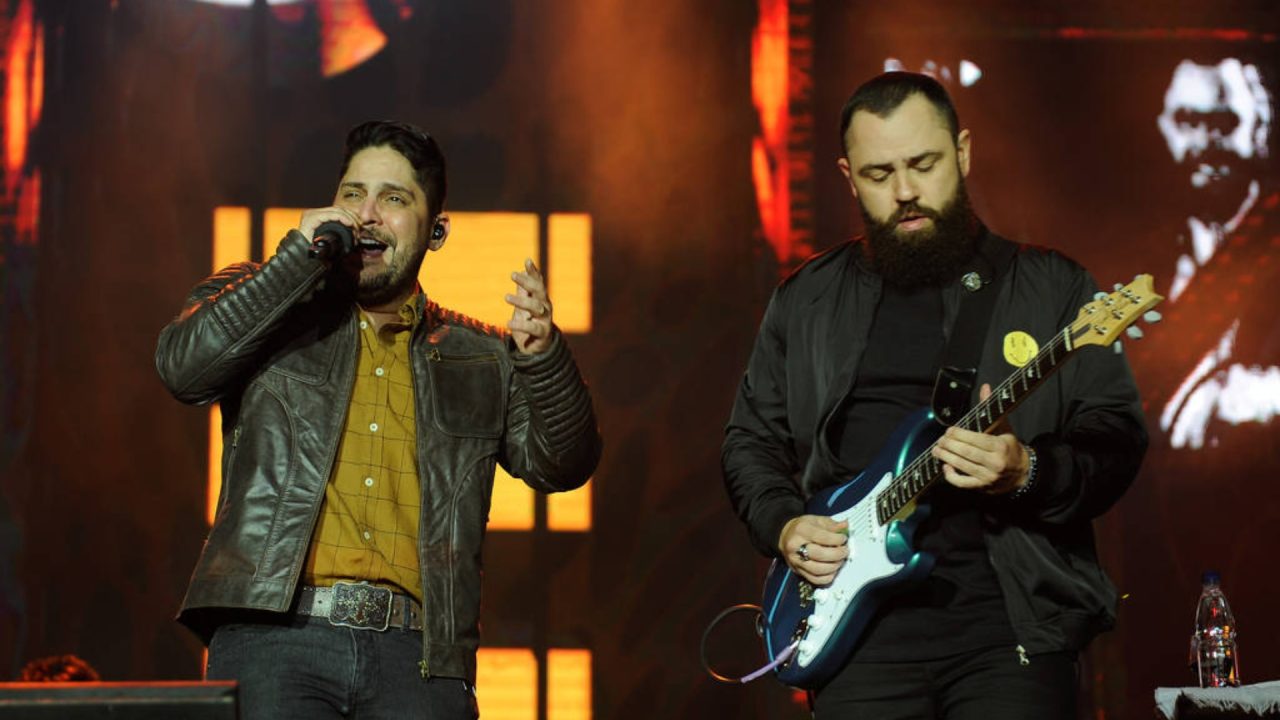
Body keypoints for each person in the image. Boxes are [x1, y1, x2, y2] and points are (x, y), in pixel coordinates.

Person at [721, 72, 1148, 718]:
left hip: (1009, 631)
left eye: (924, 164)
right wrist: (784, 525)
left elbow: (1116, 438)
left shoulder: (1052, 288)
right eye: (878, 174)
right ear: (847, 176)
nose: (905, 192)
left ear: (964, 152)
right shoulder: (805, 300)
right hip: (853, 640)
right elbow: (749, 440)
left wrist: (1028, 470)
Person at [156, 120, 601, 719]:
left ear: (436, 231)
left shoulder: (481, 355)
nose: (367, 213)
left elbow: (562, 464)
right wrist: (293, 265)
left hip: (417, 661)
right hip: (275, 640)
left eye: (394, 199)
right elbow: (183, 370)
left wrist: (543, 355)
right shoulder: (268, 302)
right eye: (352, 194)